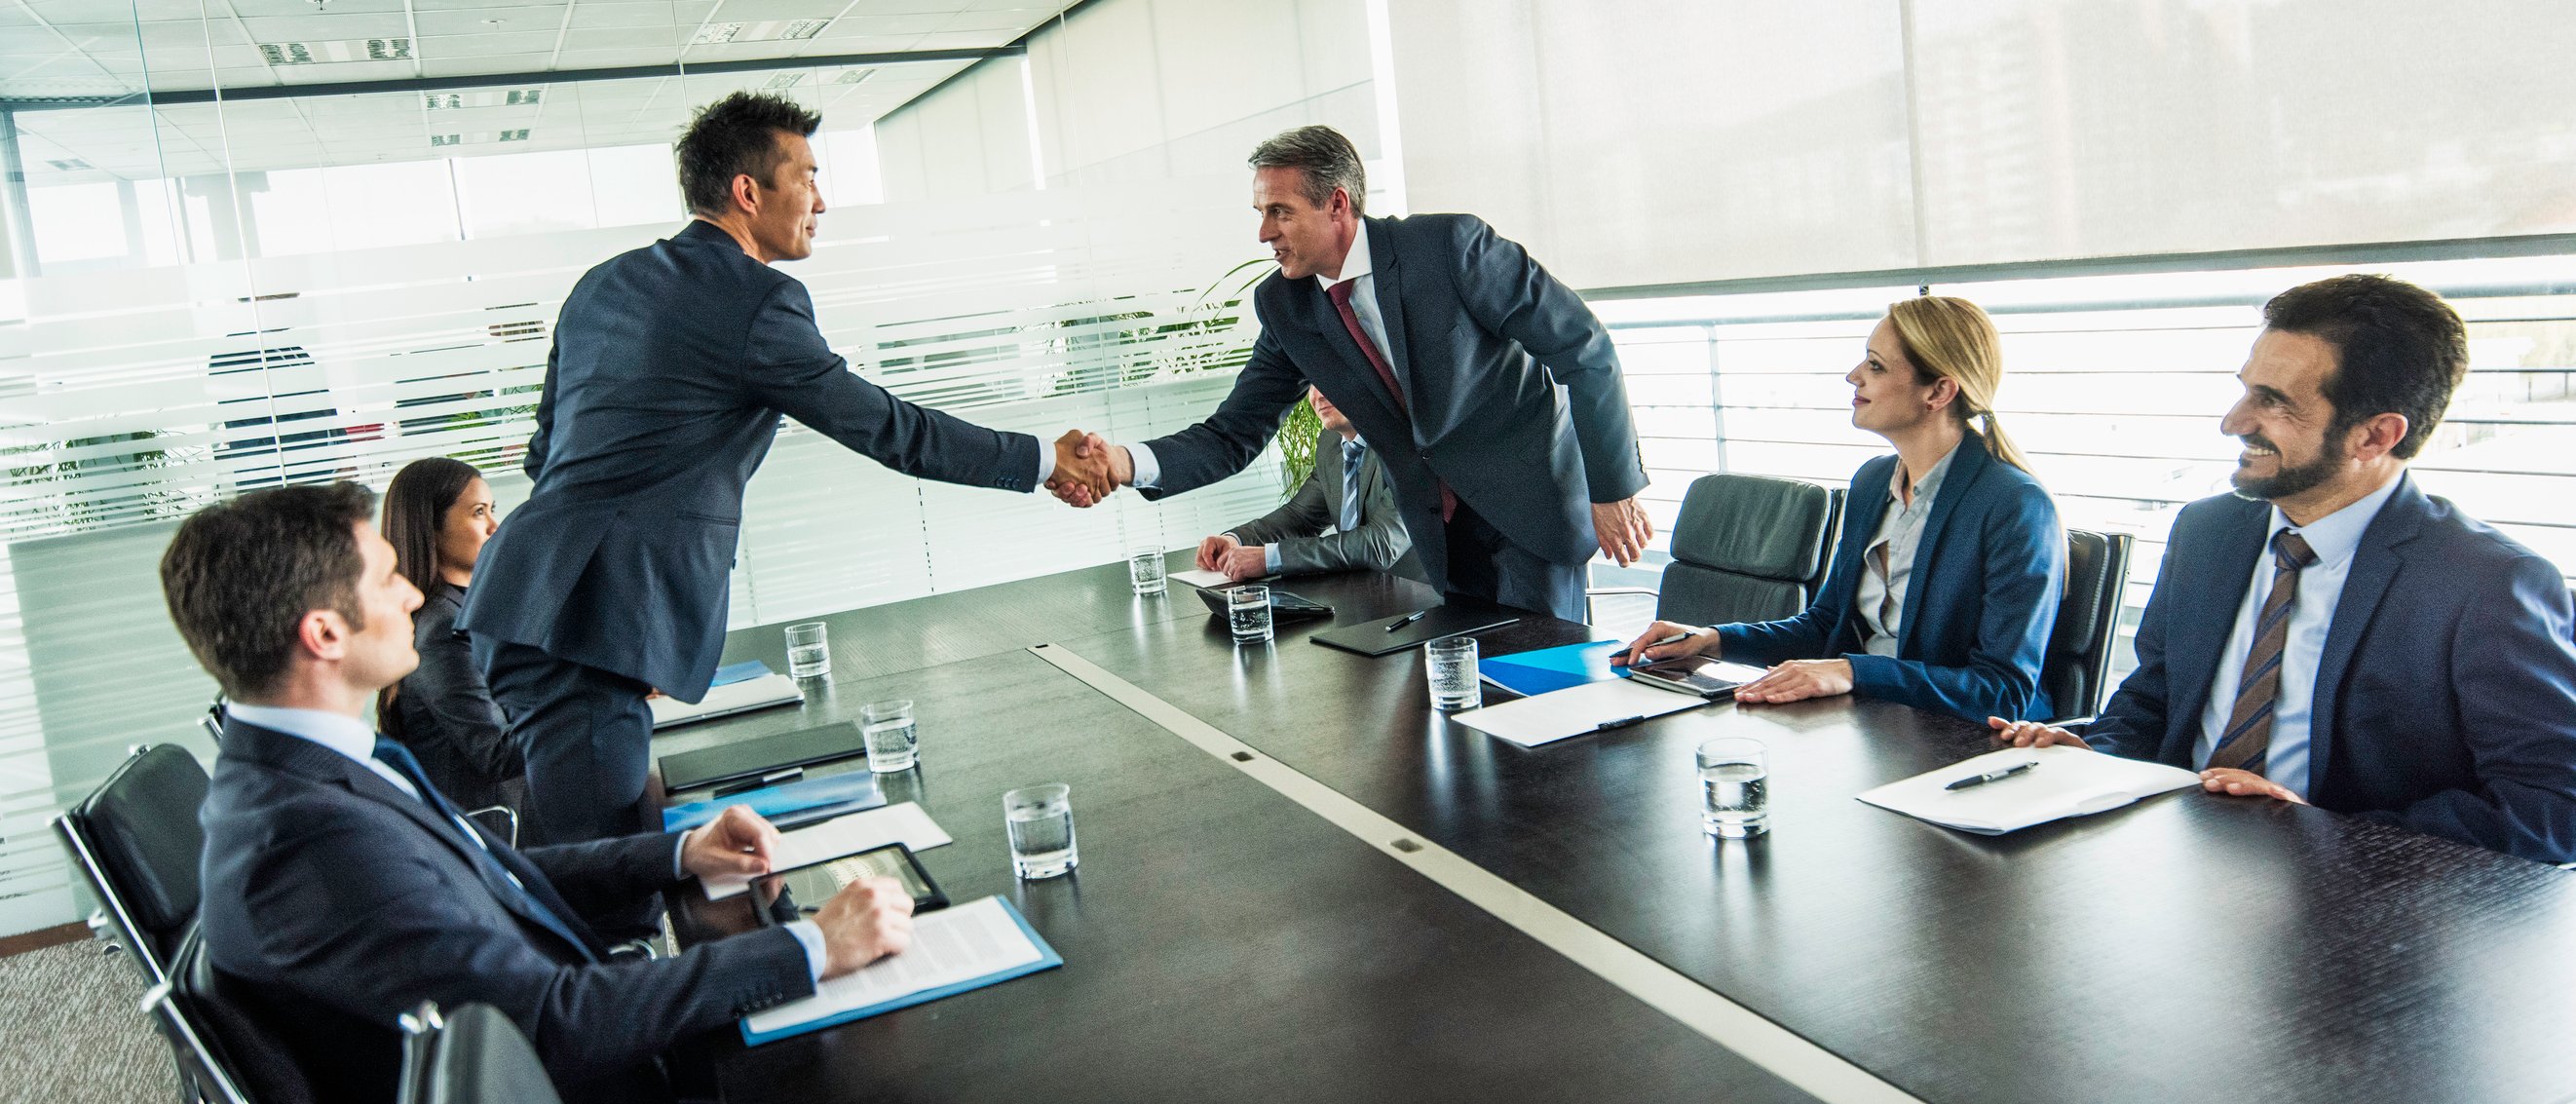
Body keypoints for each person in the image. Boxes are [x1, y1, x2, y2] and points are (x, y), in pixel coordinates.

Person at [457, 93, 1116, 858]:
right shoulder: (757, 300)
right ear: (748, 191)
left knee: (599, 843)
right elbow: (886, 427)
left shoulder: (605, 283)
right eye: (806, 176)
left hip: (541, 600)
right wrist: (1041, 460)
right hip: (591, 626)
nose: (821, 200)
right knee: (607, 874)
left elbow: (547, 453)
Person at [168, 483, 918, 1103]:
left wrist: (679, 851)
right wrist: (814, 945)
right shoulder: (305, 841)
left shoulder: (312, 766)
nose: (409, 593)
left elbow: (487, 868)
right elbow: (552, 1023)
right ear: (325, 633)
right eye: (389, 577)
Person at [1993, 275, 2576, 865]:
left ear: (2375, 435)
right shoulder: (2206, 532)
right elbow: (2152, 701)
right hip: (2172, 858)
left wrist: (2319, 831)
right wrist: (2094, 753)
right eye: (2246, 391)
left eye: (2273, 401)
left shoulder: (2487, 583)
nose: (2234, 422)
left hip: (2350, 904)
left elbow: (2551, 808)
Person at [1051, 125, 1653, 623]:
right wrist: (1126, 463)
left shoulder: (1449, 248)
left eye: (1279, 212)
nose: (1264, 232)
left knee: (1547, 697)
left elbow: (1584, 349)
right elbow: (1233, 433)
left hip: (1531, 509)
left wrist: (1612, 488)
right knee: (1473, 706)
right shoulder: (1287, 306)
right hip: (1438, 532)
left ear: (1336, 203)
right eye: (1262, 213)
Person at [1621, 297, 2065, 722]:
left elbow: (2003, 690)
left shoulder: (2015, 505)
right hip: (1868, 724)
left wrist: (1852, 672)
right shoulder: (1873, 482)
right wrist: (1714, 641)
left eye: (1875, 365)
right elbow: (1826, 625)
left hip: (1958, 741)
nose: (1854, 376)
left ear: (1939, 391)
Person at [377, 457, 523, 815]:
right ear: (432, 528)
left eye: (492, 510)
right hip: (503, 829)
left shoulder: (464, 608)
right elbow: (497, 754)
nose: (494, 526)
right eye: (478, 513)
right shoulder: (442, 628)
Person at [1196, 388, 1418, 583]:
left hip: (1423, 604)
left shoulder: (1406, 447)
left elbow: (1380, 545)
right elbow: (1300, 517)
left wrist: (1270, 558)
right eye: (1313, 383)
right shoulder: (1330, 443)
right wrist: (1235, 540)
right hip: (1363, 596)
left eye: (1328, 381)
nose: (1318, 395)